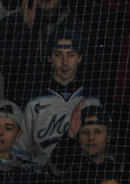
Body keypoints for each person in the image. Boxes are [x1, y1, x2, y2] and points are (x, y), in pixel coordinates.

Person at [17, 29, 102, 171]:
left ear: (80, 58)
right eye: (58, 55)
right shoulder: (33, 100)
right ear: (49, 57)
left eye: (71, 55)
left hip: (83, 177)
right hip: (41, 177)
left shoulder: (93, 101)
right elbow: (21, 152)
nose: (65, 62)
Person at [45, 104, 123, 184]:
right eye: (85, 132)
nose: (91, 137)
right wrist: (69, 136)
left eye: (98, 131)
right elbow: (54, 175)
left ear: (109, 136)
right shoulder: (68, 166)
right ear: (78, 137)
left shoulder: (118, 171)